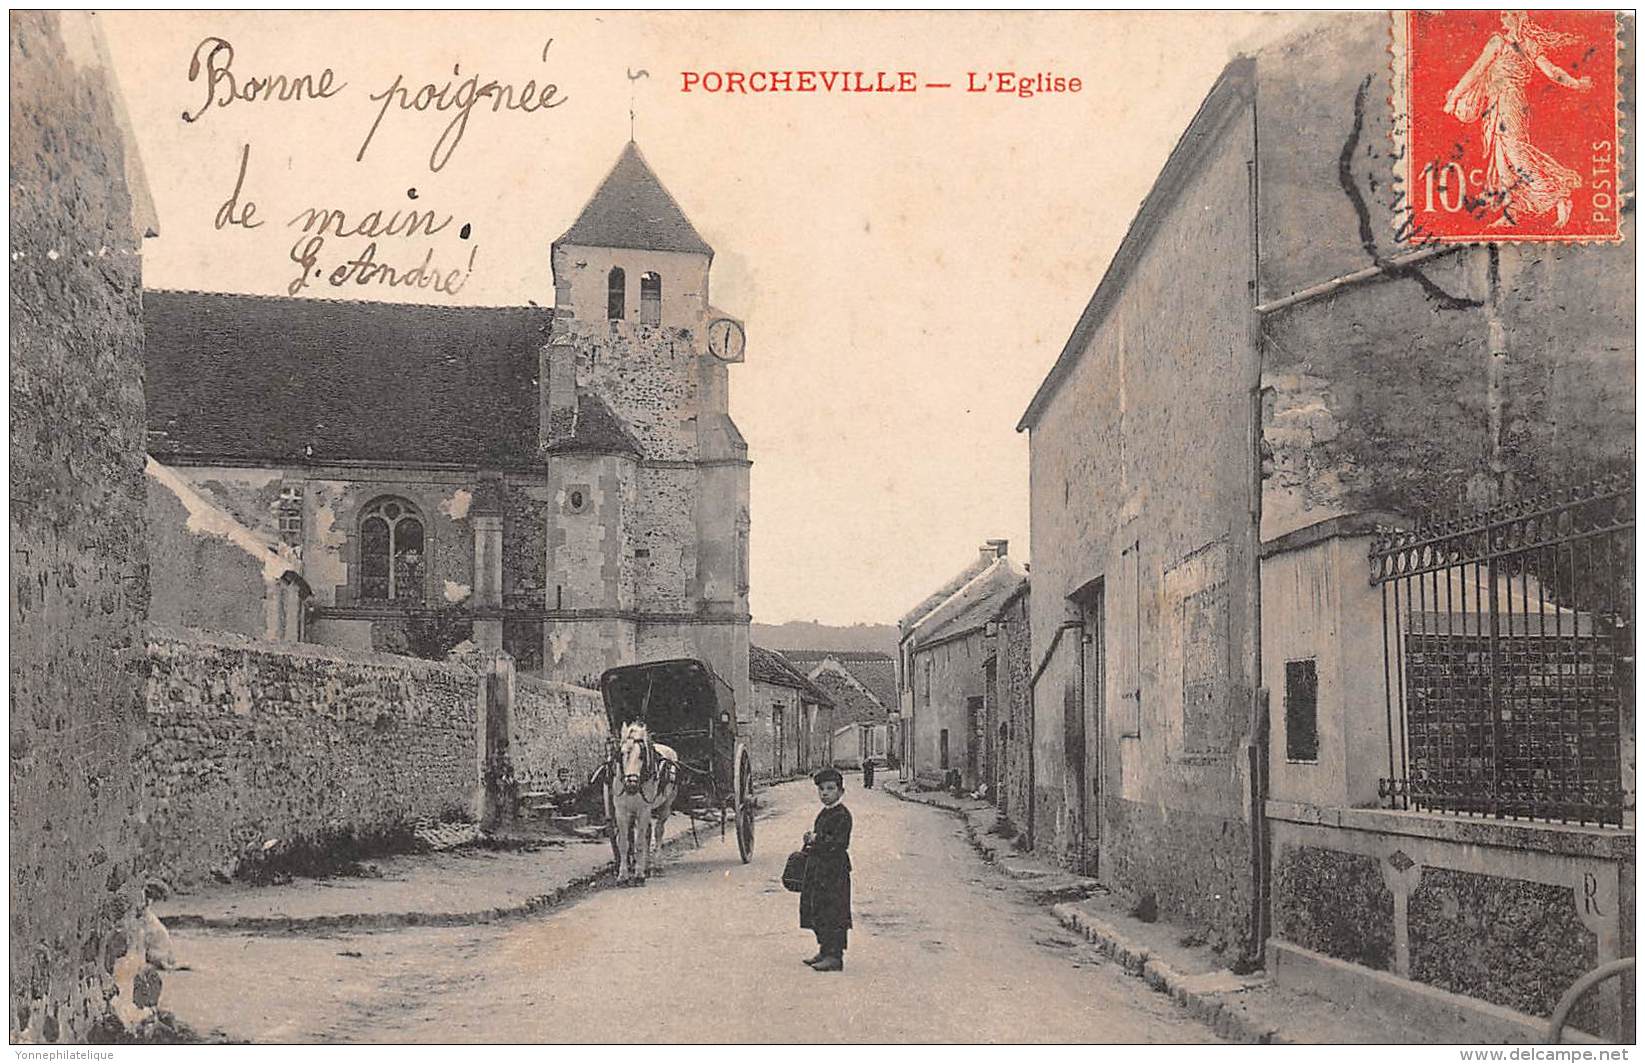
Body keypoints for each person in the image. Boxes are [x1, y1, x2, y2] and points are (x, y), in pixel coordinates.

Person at [1442, 11, 1592, 228]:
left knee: (1517, 156)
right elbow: (1477, 71)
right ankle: (1512, 213)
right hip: (1499, 104)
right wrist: (1577, 84)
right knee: (1503, 164)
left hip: (1509, 103)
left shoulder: (1508, 43)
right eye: (1502, 15)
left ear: (1518, 17)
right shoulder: (1512, 43)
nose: (1502, 19)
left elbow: (1552, 72)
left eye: (1507, 15)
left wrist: (1453, 99)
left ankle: (1560, 198)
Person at [800, 766, 852, 972]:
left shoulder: (842, 815)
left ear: (841, 792)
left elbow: (839, 843)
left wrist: (817, 839)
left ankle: (835, 956)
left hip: (835, 871)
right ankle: (824, 949)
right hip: (820, 871)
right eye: (821, 789)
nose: (825, 793)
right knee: (819, 910)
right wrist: (809, 840)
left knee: (835, 912)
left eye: (830, 789)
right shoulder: (824, 813)